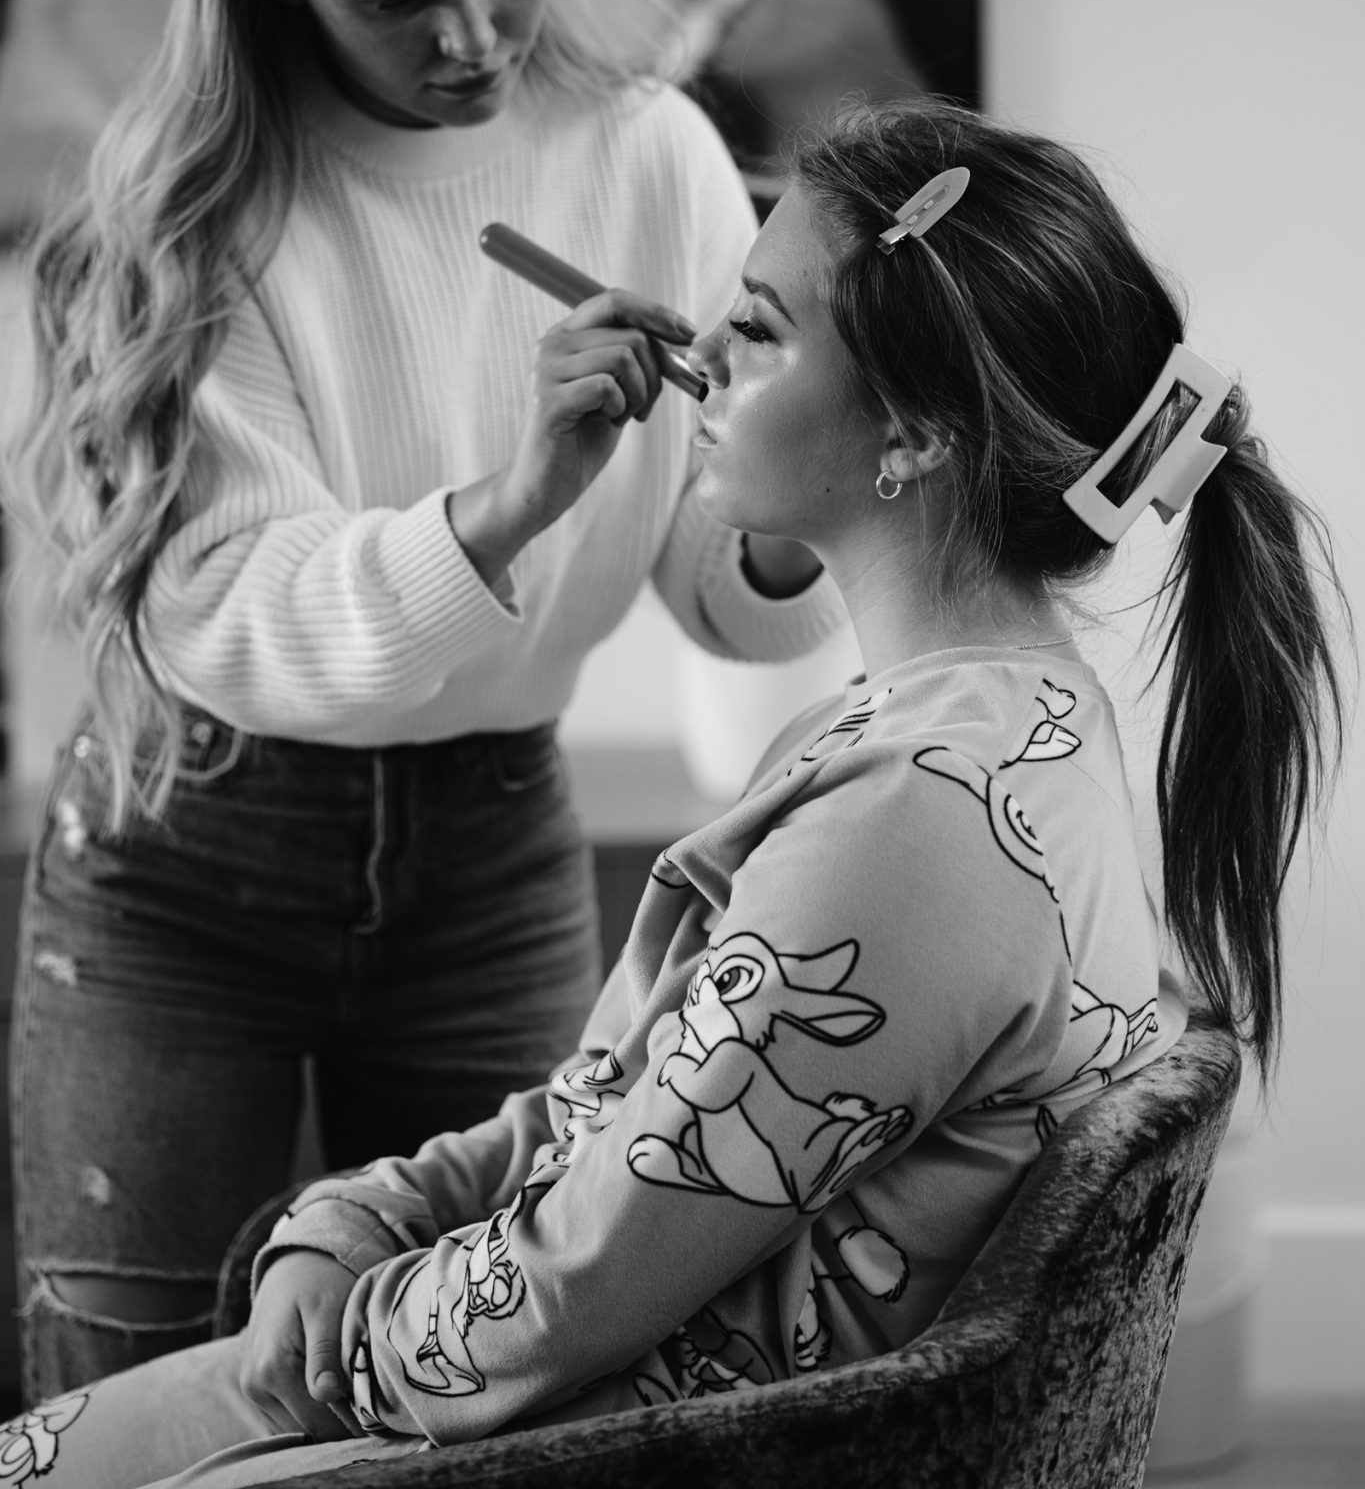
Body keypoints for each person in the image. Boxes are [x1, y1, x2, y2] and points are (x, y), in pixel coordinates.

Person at [3, 96, 1345, 1488]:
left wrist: (324, 1340)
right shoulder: (989, 724)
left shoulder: (918, 822)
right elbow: (622, 1112)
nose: (697, 353)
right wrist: (355, 1220)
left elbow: (554, 1299)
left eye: (758, 325)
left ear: (918, 434)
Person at [2, 0, 845, 1403]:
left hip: (492, 851)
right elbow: (235, 611)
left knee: (494, 1398)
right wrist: (518, 495)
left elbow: (715, 574)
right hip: (187, 861)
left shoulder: (650, 155)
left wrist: (786, 507)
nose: (469, 39)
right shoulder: (180, 219)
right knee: (138, 1401)